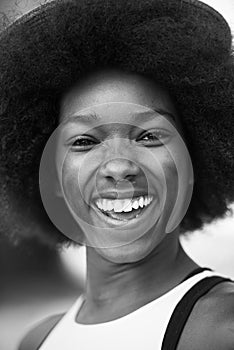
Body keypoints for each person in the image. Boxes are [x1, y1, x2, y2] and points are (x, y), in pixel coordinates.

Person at [0, 0, 234, 349]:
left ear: (192, 163)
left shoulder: (223, 329)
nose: (119, 167)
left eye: (149, 136)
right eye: (83, 141)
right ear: (51, 177)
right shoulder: (36, 341)